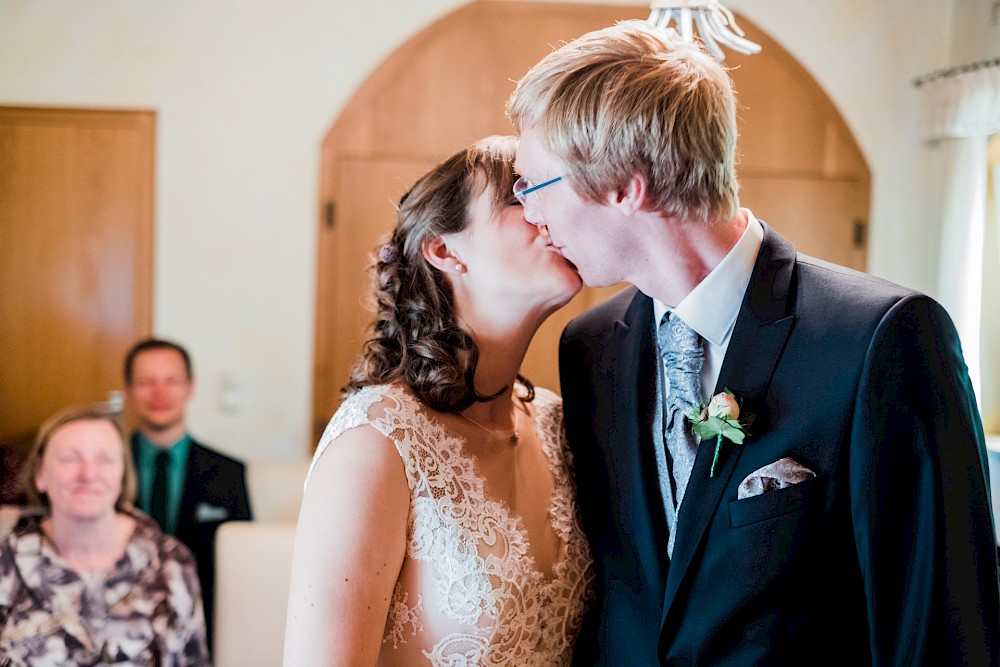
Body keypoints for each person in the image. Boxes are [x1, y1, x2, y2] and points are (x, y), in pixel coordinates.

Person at [507, 19, 1000, 665]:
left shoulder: (881, 337)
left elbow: (941, 623)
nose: (528, 213)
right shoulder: (591, 346)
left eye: (532, 184)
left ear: (626, 187)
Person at [284, 135, 593, 666]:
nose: (552, 212)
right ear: (445, 250)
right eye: (522, 197)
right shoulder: (376, 441)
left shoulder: (557, 420)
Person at [0, 403, 209, 665]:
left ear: (122, 476)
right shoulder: (5, 561)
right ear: (40, 474)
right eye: (69, 458)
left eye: (104, 459)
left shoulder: (170, 563)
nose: (88, 474)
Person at [124, 338, 252, 646]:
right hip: (123, 624)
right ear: (128, 390)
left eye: (172, 381)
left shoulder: (229, 473)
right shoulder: (103, 469)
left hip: (202, 629)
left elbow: (242, 567)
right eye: (146, 382)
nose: (160, 393)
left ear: (190, 388)